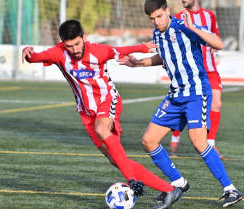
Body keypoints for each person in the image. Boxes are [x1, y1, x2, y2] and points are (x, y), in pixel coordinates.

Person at [22, 19, 182, 209]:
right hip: (86, 112)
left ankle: (132, 180)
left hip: (108, 100)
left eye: (77, 44)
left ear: (84, 38)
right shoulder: (59, 53)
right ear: (63, 44)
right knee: (116, 160)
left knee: (102, 128)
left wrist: (142, 47)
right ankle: (169, 190)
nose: (74, 49)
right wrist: (28, 54)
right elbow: (36, 58)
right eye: (69, 46)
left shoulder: (98, 51)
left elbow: (120, 50)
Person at [118, 0, 242, 207]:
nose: (156, 21)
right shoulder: (157, 33)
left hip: (196, 93)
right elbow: (163, 56)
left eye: (159, 16)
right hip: (175, 95)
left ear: (167, 10)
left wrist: (193, 28)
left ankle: (231, 189)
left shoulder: (184, 26)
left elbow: (219, 44)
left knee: (198, 141)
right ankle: (179, 183)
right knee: (148, 141)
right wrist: (138, 63)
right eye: (152, 18)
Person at [170, 0, 225, 159]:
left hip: (210, 69)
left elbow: (215, 36)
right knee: (184, 105)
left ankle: (211, 143)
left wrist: (215, 45)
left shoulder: (210, 16)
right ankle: (176, 134)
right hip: (189, 72)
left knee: (216, 104)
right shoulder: (178, 18)